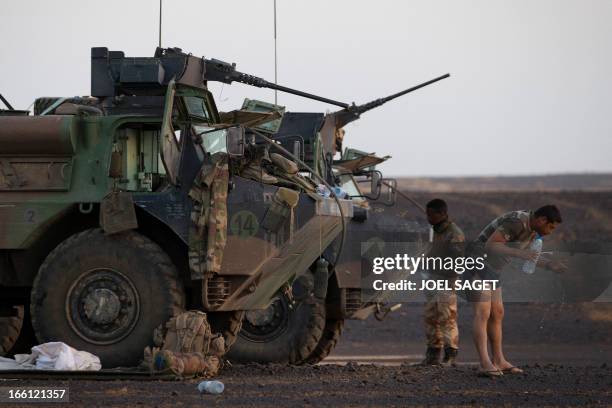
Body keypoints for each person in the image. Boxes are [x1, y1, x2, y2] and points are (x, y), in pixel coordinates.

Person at [469, 205, 567, 376]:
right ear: (542, 220)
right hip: (477, 263)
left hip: (492, 268)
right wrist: (519, 254)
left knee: (497, 312)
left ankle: (499, 360)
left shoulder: (533, 234)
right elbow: (492, 246)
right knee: (483, 311)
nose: (550, 231)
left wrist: (550, 265)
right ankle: (484, 363)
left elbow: (528, 258)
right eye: (550, 227)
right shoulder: (517, 223)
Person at [421, 199, 465, 366]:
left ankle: (450, 356)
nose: (428, 218)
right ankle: (432, 356)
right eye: (427, 214)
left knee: (447, 318)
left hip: (447, 280)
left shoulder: (454, 233)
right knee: (431, 317)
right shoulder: (436, 231)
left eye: (431, 215)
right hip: (434, 279)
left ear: (442, 214)